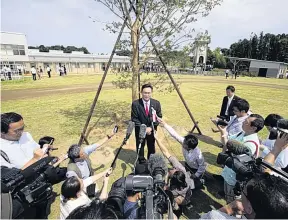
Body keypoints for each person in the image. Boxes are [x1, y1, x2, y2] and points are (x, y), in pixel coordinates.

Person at [218, 114, 264, 203]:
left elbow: (239, 161)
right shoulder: (242, 133)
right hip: (229, 171)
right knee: (228, 194)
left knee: (233, 202)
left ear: (253, 128)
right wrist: (223, 133)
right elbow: (227, 143)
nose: (243, 122)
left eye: (246, 122)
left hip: (235, 178)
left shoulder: (250, 144)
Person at [200, 172, 288, 219]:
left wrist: (230, 207)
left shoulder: (215, 217)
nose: (241, 193)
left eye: (243, 191)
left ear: (249, 209)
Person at [154, 135, 194, 218]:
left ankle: (177, 207)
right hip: (187, 189)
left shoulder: (174, 191)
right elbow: (166, 153)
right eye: (174, 169)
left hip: (183, 196)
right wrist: (156, 138)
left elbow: (165, 189)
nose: (172, 168)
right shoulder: (180, 169)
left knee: (167, 198)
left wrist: (166, 179)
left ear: (174, 182)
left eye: (172, 171)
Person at [157, 118, 206, 186]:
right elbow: (174, 134)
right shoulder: (184, 142)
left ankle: (201, 180)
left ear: (189, 147)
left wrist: (196, 175)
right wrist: (165, 124)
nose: (182, 143)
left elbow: (202, 166)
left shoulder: (198, 154)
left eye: (185, 144)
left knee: (190, 184)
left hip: (195, 170)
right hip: (187, 165)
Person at [131, 84, 162, 163]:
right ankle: (141, 161)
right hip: (140, 130)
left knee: (151, 146)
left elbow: (159, 117)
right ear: (141, 92)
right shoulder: (135, 104)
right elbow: (134, 119)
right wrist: (144, 128)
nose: (147, 95)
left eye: (148, 93)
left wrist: (151, 128)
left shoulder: (156, 103)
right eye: (145, 93)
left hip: (152, 130)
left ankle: (151, 161)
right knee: (140, 146)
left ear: (151, 93)